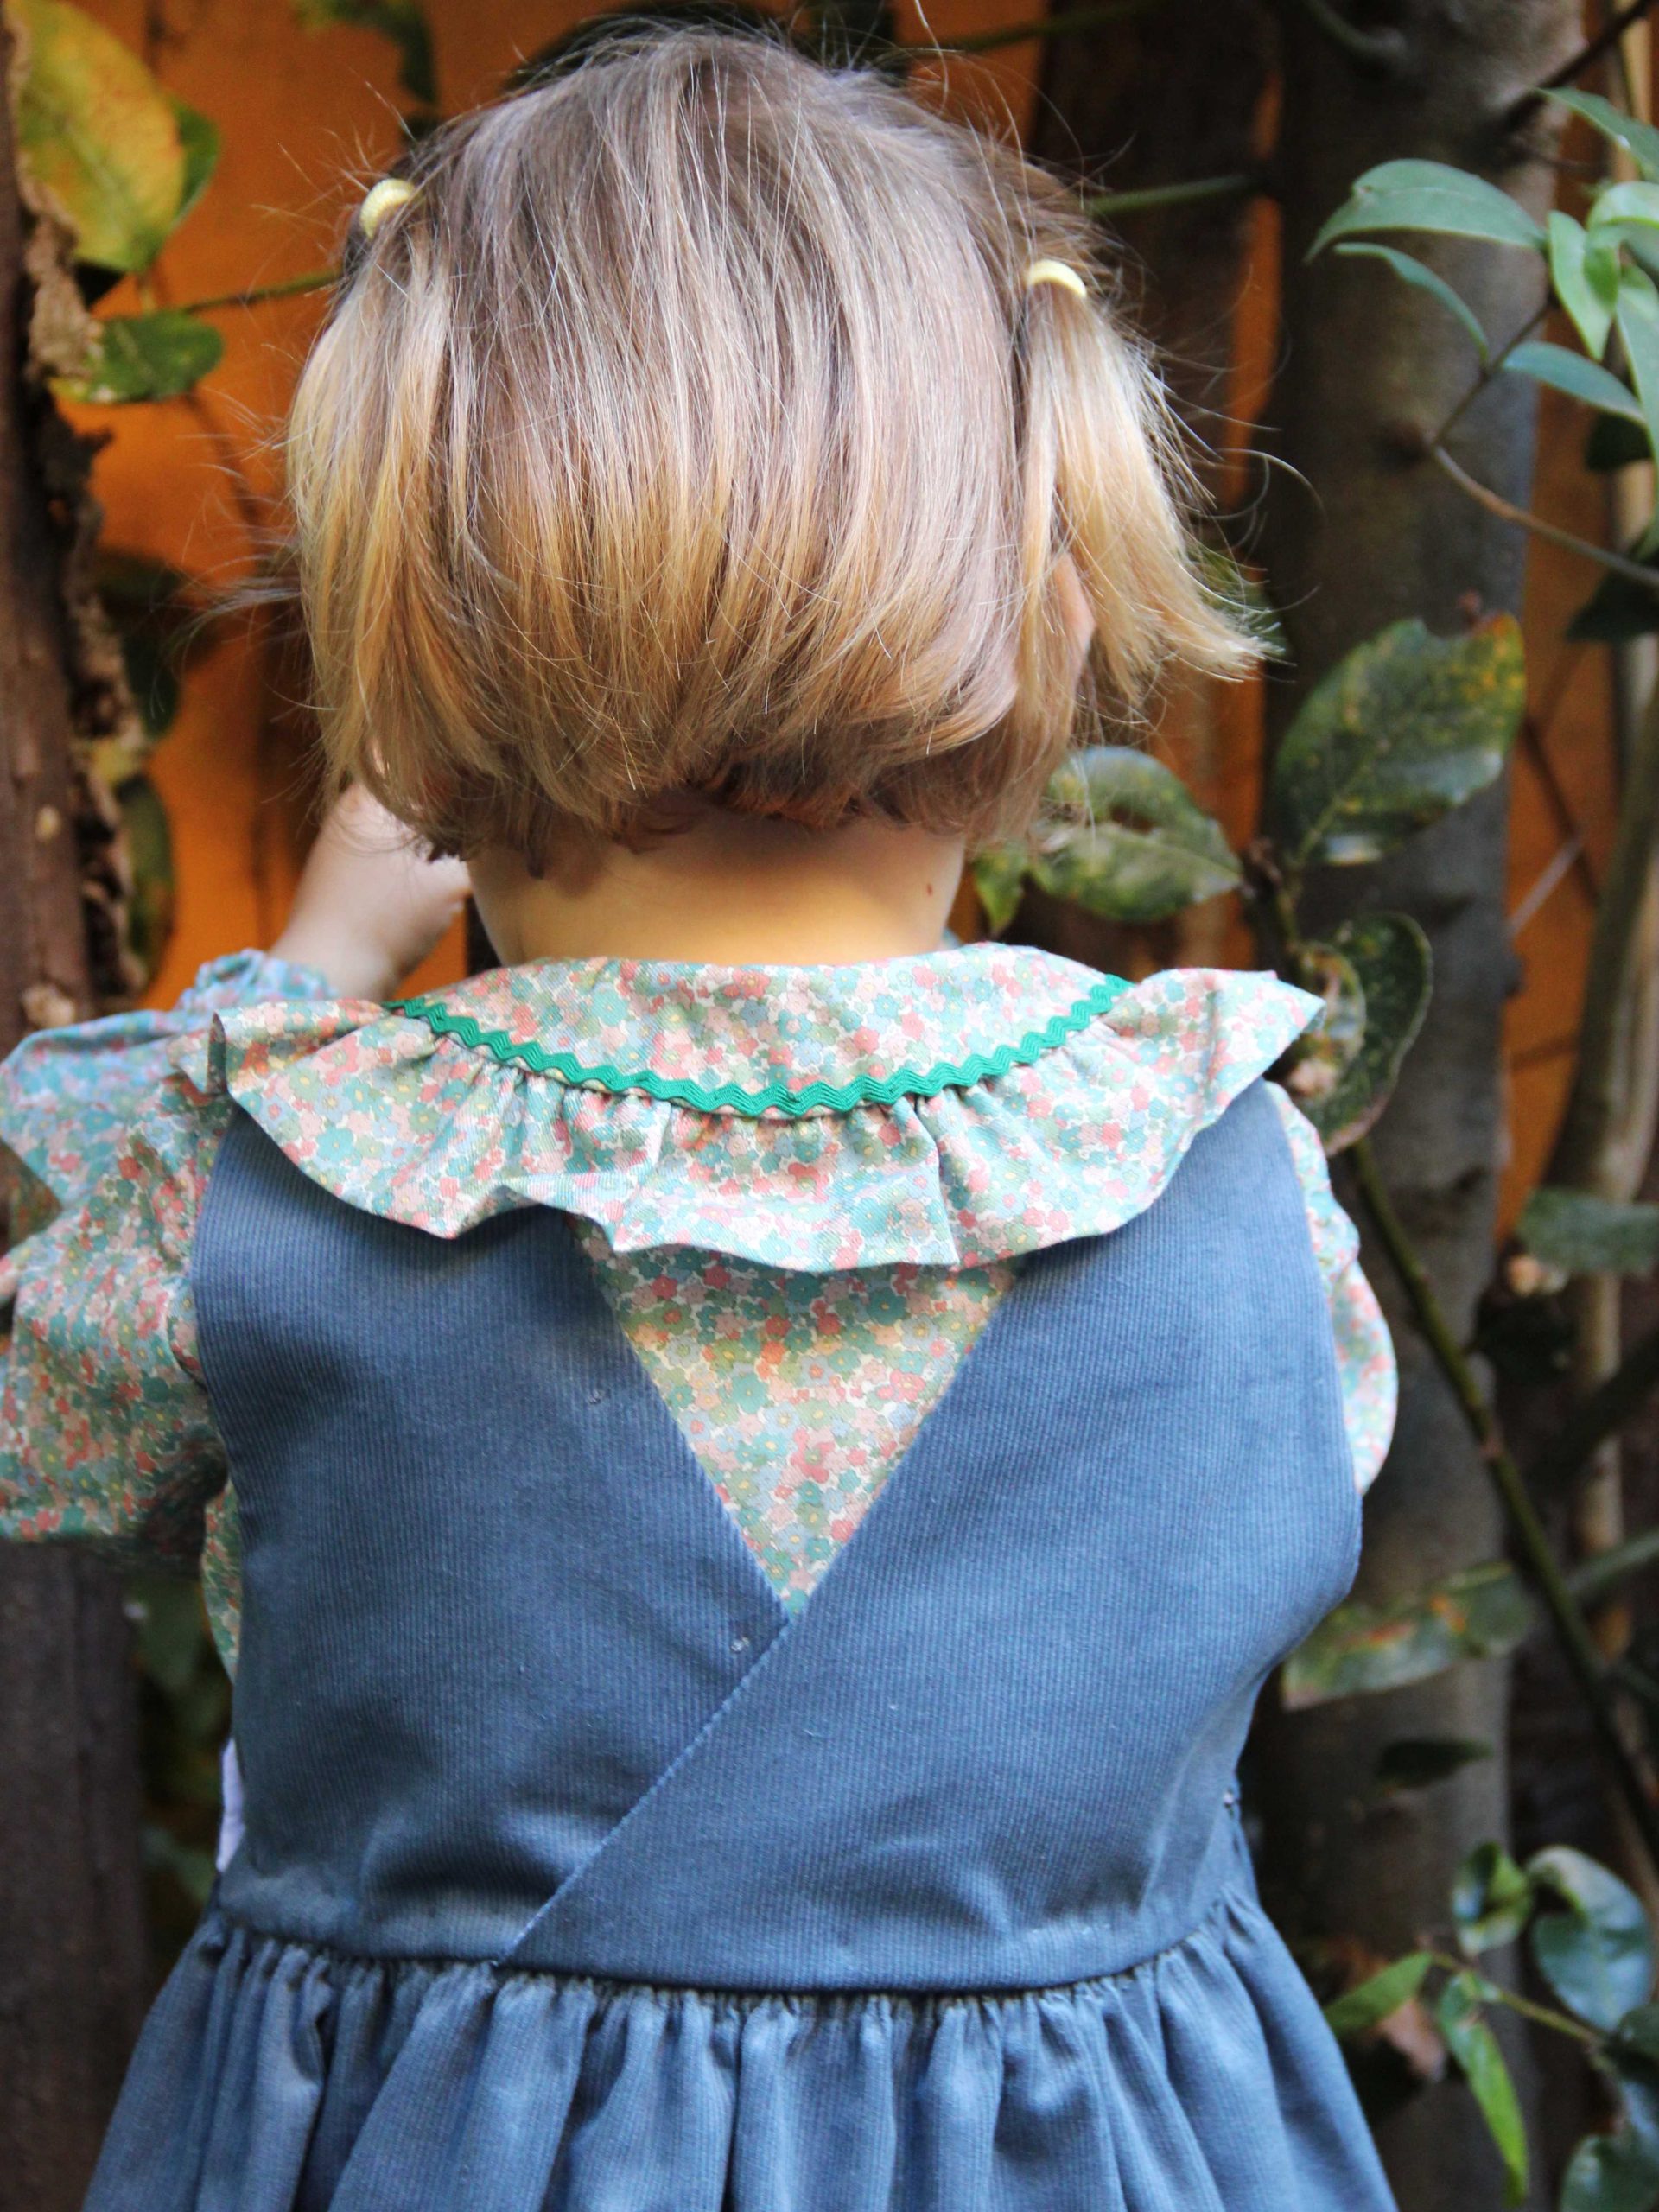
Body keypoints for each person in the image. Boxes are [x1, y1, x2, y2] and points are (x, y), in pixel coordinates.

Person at [0, 24, 1400, 2209]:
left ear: (400, 644)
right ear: (1053, 591)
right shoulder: (1233, 1174)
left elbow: (39, 1422)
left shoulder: (280, 1179)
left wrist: (309, 982)